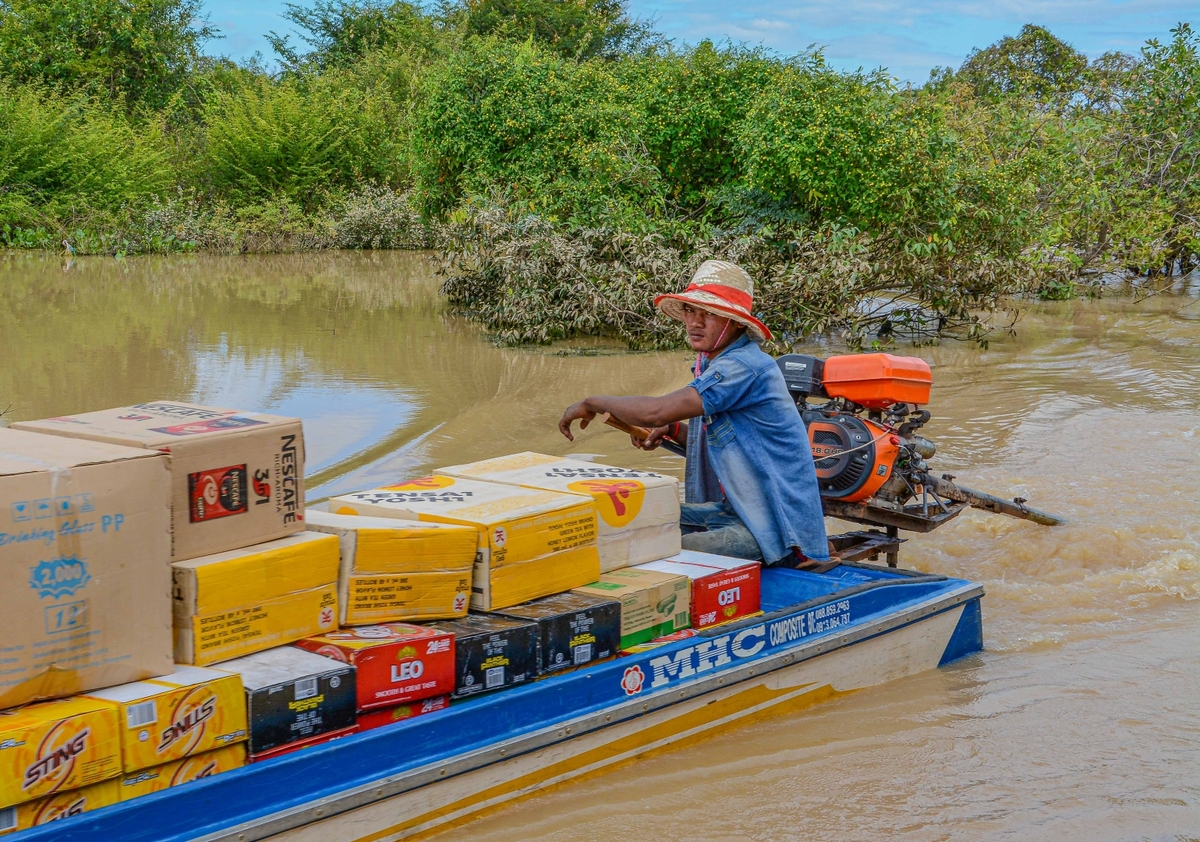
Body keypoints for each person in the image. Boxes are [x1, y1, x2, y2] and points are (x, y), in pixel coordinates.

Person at [558, 260, 833, 571]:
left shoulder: (743, 367)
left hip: (776, 530)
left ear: (736, 323)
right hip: (735, 511)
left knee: (650, 550)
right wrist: (672, 431)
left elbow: (654, 411)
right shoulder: (709, 364)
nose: (695, 322)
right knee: (631, 523)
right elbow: (724, 444)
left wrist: (592, 402)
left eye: (710, 314)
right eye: (691, 311)